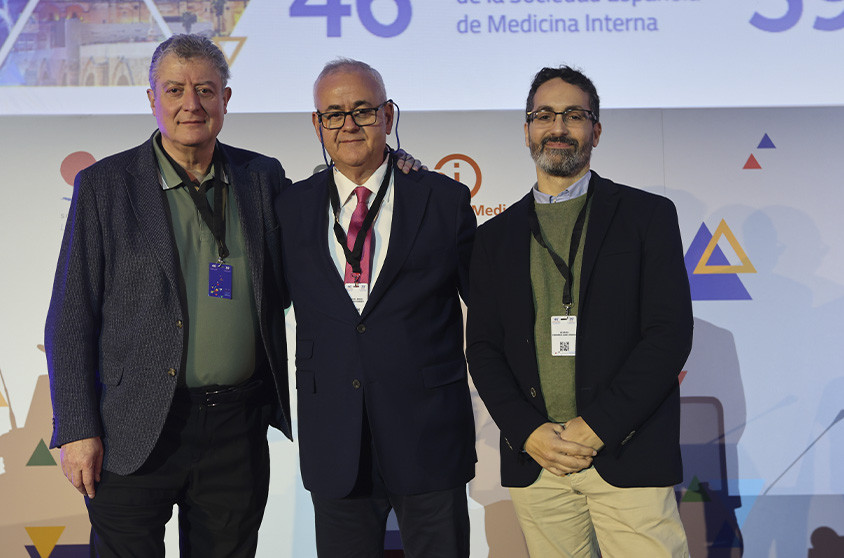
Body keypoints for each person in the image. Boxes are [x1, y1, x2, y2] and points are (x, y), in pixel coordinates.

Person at [44, 34, 292, 557]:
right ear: (151, 99)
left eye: (205, 89)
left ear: (226, 98)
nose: (191, 104)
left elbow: (324, 224)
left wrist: (397, 165)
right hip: (131, 428)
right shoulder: (105, 185)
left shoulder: (261, 177)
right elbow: (70, 317)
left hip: (236, 428)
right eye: (175, 90)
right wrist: (77, 429)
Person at [466, 66, 693, 557]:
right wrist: (527, 432)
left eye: (573, 115)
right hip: (538, 462)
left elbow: (668, 335)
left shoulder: (647, 216)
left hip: (626, 453)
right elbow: (483, 349)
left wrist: (598, 426)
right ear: (527, 129)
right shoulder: (493, 238)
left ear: (596, 129)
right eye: (544, 115)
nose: (558, 127)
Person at [274, 59, 477, 558]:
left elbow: (490, 311)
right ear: (317, 124)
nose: (349, 125)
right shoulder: (289, 208)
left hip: (429, 437)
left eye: (363, 110)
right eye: (334, 114)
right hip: (335, 441)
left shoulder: (442, 199)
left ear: (387, 115)